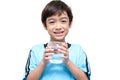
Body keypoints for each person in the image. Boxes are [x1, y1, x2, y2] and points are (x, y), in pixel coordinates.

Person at [23, 0, 91, 80]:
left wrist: (68, 62)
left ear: (70, 23)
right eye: (52, 22)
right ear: (45, 25)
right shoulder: (35, 50)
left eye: (63, 21)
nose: (58, 26)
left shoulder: (78, 50)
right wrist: (43, 63)